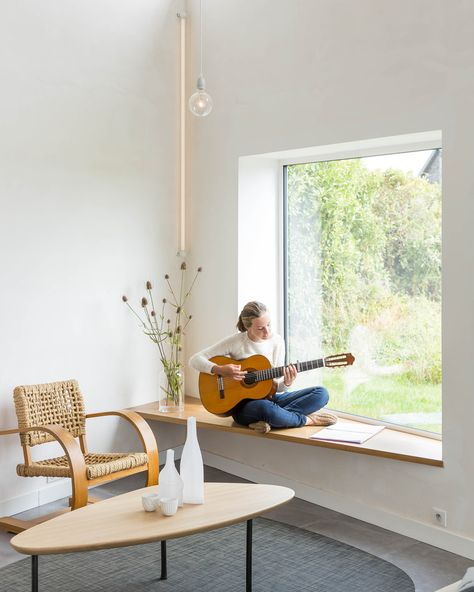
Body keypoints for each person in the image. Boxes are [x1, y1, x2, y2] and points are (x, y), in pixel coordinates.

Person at [189, 301, 337, 433]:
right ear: (248, 327)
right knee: (265, 409)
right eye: (260, 328)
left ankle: (274, 420)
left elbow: (275, 387)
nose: (267, 331)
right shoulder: (236, 342)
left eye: (269, 325)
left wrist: (287, 382)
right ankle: (307, 420)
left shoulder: (277, 342)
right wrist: (220, 370)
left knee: (321, 393)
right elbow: (194, 360)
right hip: (244, 407)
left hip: (271, 399)